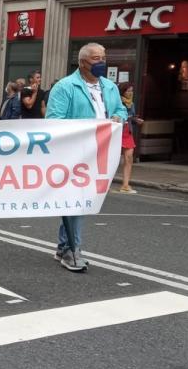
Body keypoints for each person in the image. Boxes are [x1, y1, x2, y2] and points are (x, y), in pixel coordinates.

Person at [47, 43, 129, 272]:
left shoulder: (110, 87)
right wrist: (86, 127)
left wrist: (116, 117)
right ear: (82, 62)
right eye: (95, 58)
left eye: (103, 57)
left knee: (80, 201)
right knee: (77, 199)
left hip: (100, 151)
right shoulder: (65, 87)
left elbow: (122, 110)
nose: (101, 62)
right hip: (74, 153)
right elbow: (54, 120)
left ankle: (65, 246)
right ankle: (72, 250)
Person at [116, 82, 144, 194]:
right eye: (128, 91)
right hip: (118, 131)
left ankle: (125, 185)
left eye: (131, 91)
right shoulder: (117, 102)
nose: (130, 93)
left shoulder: (131, 104)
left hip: (128, 131)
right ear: (123, 91)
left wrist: (136, 120)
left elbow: (131, 117)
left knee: (129, 158)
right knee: (112, 159)